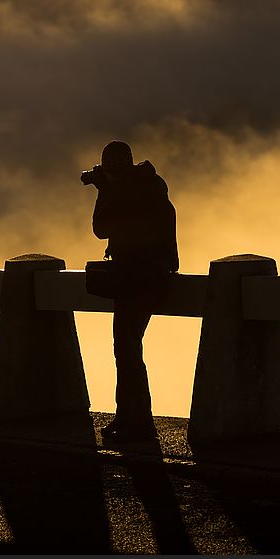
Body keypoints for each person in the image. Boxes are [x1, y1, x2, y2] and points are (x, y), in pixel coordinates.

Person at [82, 141, 179, 441]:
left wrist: (104, 189)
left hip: (140, 277)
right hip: (144, 276)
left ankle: (137, 421)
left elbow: (101, 228)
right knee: (126, 349)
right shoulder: (148, 184)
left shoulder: (133, 190)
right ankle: (127, 418)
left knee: (126, 349)